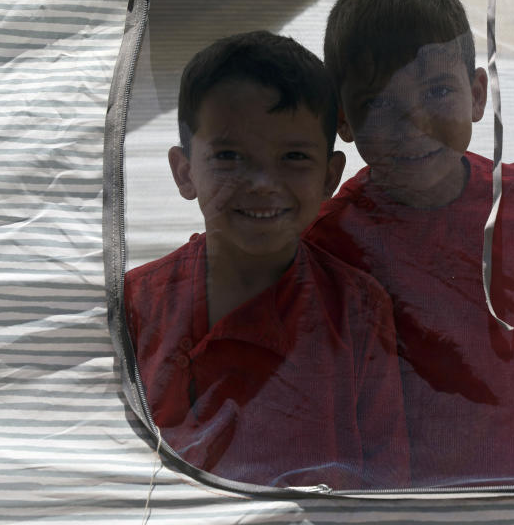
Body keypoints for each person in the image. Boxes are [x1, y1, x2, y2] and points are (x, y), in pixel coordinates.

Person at [306, 0, 514, 487]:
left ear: (478, 95)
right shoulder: (329, 238)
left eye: (438, 92)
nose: (412, 124)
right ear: (343, 120)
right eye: (378, 103)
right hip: (415, 496)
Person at [124, 30, 408, 489]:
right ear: (184, 171)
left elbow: (386, 485)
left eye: (293, 156)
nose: (261, 181)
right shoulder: (135, 304)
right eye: (229, 155)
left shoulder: (358, 310)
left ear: (330, 176)